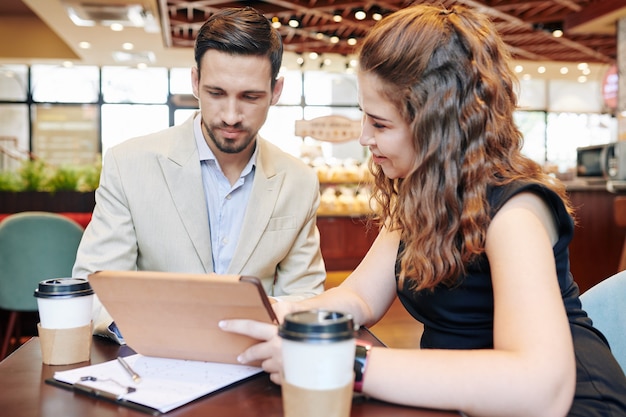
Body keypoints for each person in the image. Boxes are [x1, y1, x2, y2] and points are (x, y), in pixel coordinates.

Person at [219, 5, 626, 417]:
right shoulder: (420, 194)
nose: (364, 137)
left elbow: (540, 392)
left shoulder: (515, 213)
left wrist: (339, 363)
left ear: (437, 126)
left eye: (380, 124)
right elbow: (360, 296)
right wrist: (279, 312)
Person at [73, 7, 326, 340]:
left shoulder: (299, 181)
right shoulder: (129, 165)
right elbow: (93, 289)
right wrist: (164, 329)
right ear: (195, 81)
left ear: (276, 91)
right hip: (154, 362)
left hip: (256, 366)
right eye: (216, 93)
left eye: (250, 97)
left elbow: (306, 297)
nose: (232, 116)